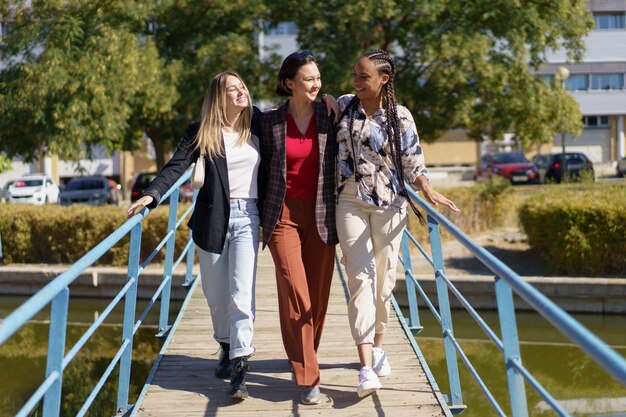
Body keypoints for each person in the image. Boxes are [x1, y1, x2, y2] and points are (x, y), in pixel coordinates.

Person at [127, 71, 262, 400]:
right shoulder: (201, 132)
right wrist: (151, 194)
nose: (241, 93)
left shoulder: (257, 123)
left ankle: (241, 364)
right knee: (216, 296)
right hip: (213, 218)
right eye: (233, 90)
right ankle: (226, 344)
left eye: (242, 87)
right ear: (219, 97)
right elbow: (175, 166)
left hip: (249, 217)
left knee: (241, 293)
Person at [334, 49, 460, 397]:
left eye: (364, 77)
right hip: (349, 200)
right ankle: (364, 368)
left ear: (383, 79)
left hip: (390, 204)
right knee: (359, 278)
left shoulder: (400, 117)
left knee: (383, 280)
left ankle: (378, 346)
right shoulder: (343, 105)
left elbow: (413, 162)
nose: (356, 82)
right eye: (355, 75)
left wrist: (429, 190)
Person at [260, 50, 338, 405]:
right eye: (309, 79)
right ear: (289, 83)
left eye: (318, 78)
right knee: (297, 294)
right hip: (282, 216)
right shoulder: (269, 122)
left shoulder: (331, 115)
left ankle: (304, 354)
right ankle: (308, 375)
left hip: (322, 215)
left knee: (318, 299)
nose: (316, 84)